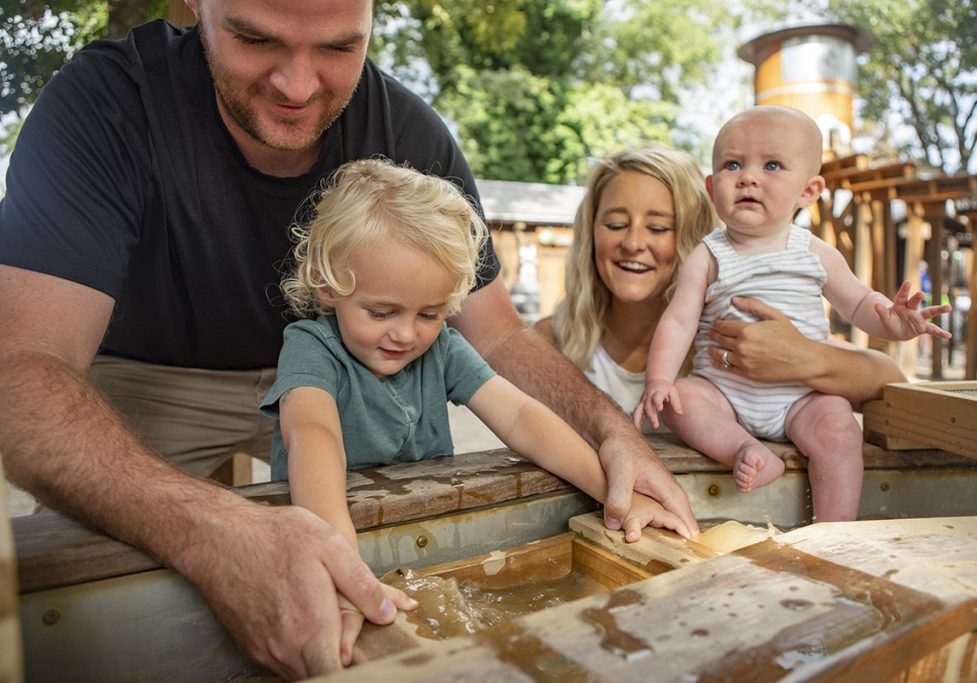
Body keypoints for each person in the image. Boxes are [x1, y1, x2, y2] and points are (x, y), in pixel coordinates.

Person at [0, 1, 696, 678]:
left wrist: (613, 454)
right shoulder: (107, 102)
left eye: (338, 47)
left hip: (344, 382)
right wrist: (309, 555)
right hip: (154, 376)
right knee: (106, 588)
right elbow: (23, 367)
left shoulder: (413, 144)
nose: (298, 85)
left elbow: (505, 361)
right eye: (256, 39)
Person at [261, 159, 689, 662]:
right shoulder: (311, 347)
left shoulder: (441, 347)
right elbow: (313, 434)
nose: (406, 334)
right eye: (381, 312)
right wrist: (339, 562)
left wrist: (616, 496)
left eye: (430, 312)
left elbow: (521, 417)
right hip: (327, 536)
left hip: (421, 537)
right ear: (327, 282)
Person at [633, 106, 951, 521]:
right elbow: (679, 320)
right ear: (712, 187)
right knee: (681, 400)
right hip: (724, 394)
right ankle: (745, 449)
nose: (748, 177)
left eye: (771, 165)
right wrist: (659, 381)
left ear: (808, 191)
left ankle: (834, 532)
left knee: (839, 428)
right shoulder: (708, 255)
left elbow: (858, 302)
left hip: (802, 397)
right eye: (733, 165)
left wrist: (892, 322)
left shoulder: (815, 252)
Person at [536, 144, 906, 424]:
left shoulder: (735, 331)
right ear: (591, 233)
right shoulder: (550, 340)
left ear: (695, 239)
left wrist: (803, 358)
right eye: (615, 225)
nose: (633, 243)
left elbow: (892, 380)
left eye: (659, 228)